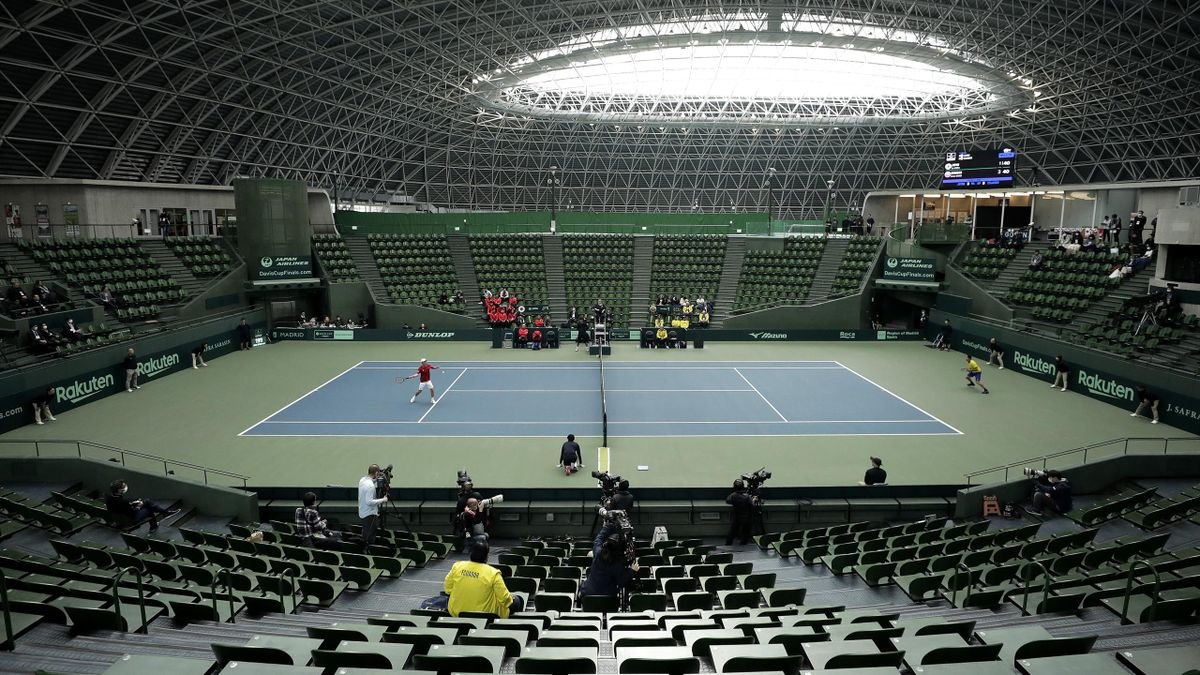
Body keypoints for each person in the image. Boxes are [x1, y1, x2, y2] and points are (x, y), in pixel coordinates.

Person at [443, 536, 523, 618]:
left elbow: (447, 589)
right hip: (486, 616)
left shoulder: (457, 566)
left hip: (456, 613)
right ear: (486, 556)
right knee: (517, 600)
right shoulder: (493, 573)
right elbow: (505, 600)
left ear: (471, 553)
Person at [580, 526, 639, 596]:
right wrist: (632, 571)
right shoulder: (619, 563)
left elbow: (598, 539)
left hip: (588, 596)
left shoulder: (598, 553)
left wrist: (609, 526)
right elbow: (621, 582)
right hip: (608, 600)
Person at [105, 479, 176, 532]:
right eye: (123, 486)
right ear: (119, 490)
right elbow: (132, 512)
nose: (125, 486)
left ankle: (164, 513)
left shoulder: (109, 498)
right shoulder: (122, 502)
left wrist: (133, 503)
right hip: (130, 519)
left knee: (147, 502)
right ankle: (155, 525)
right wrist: (138, 506)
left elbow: (121, 508)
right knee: (149, 509)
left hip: (120, 518)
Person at [358, 464, 389, 550]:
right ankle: (368, 551)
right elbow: (369, 502)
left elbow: (371, 482)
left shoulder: (362, 480)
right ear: (376, 473)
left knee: (365, 533)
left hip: (363, 512)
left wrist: (379, 480)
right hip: (370, 515)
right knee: (370, 536)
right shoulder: (370, 486)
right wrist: (383, 499)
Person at [725, 480, 754, 546]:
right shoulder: (747, 497)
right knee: (745, 533)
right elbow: (751, 504)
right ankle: (743, 545)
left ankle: (728, 544)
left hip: (737, 518)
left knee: (732, 532)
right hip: (747, 518)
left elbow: (728, 500)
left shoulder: (733, 496)